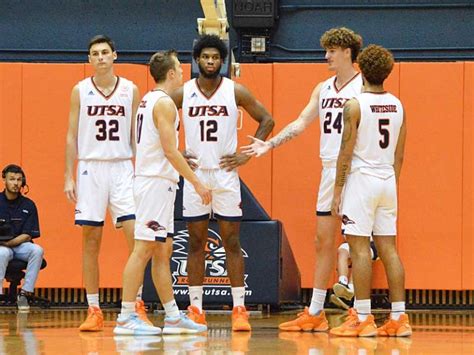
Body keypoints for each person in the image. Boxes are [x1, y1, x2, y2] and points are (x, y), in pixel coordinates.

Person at [241, 27, 363, 331]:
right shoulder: (323, 88)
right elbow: (301, 122)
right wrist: (269, 144)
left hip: (358, 169)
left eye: (332, 51)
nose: (327, 56)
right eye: (326, 51)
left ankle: (361, 312)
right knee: (323, 240)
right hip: (329, 168)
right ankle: (316, 310)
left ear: (347, 52)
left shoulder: (363, 86)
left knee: (358, 243)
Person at [171, 34, 274, 331]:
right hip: (195, 175)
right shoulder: (183, 92)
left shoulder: (235, 91)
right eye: (206, 57)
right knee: (196, 243)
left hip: (226, 174)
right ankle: (195, 308)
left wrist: (248, 154)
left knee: (231, 241)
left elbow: (267, 119)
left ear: (222, 61)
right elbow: (155, 118)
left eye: (216, 58)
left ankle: (239, 307)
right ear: (197, 60)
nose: (211, 62)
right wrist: (175, 151)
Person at [114, 50, 211, 335]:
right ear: (170, 74)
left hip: (160, 181)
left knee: (163, 251)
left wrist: (181, 157)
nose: (183, 74)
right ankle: (125, 317)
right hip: (154, 183)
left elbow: (160, 147)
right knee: (143, 249)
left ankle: (172, 316)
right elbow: (168, 151)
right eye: (180, 70)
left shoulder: (148, 99)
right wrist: (196, 182)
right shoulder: (165, 103)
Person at [329, 44, 410, 337]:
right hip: (388, 180)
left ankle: (362, 317)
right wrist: (390, 185)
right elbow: (399, 156)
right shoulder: (398, 104)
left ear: (361, 68)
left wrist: (338, 190)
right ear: (387, 72)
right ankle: (399, 318)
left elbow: (345, 153)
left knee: (359, 250)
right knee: (389, 249)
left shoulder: (354, 105)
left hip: (362, 181)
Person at [64, 35, 142, 331]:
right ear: (89, 59)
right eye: (95, 53)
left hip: (123, 167)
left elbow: (138, 134)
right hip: (91, 168)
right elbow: (71, 134)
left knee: (137, 239)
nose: (100, 57)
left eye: (105, 52)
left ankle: (134, 306)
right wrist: (67, 175)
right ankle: (94, 308)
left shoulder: (130, 90)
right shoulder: (80, 91)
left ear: (114, 55)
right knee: (91, 241)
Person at [0, 164, 44, 311]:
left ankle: (25, 293)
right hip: (1, 247)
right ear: (4, 180)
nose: (16, 183)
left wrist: (9, 242)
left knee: (37, 250)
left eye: (19, 180)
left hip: (19, 245)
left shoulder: (29, 205)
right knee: (2, 253)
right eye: (12, 179)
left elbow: (27, 235)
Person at [330, 239, 378, 310]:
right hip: (354, 242)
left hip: (371, 244)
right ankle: (343, 282)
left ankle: (350, 291)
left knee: (359, 256)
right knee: (342, 250)